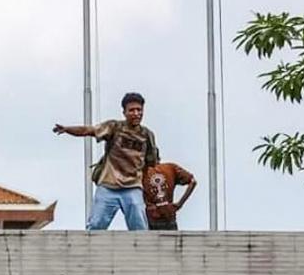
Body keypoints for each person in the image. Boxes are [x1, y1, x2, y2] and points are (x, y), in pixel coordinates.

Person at [53, 91, 159, 231]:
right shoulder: (115, 127)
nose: (136, 113)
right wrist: (67, 129)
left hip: (132, 187)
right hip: (109, 185)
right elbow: (89, 130)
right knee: (96, 225)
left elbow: (152, 164)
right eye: (131, 110)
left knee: (139, 226)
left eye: (139, 110)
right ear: (124, 112)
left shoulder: (147, 135)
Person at [142, 161, 197, 231]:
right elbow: (193, 181)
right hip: (169, 215)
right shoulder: (170, 168)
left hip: (152, 217)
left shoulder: (142, 172)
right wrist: (180, 204)